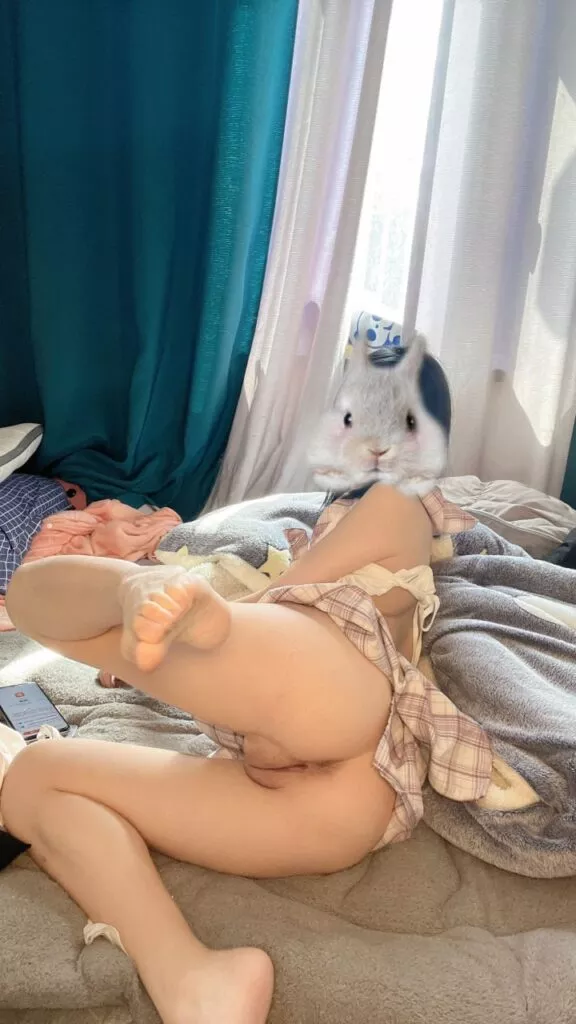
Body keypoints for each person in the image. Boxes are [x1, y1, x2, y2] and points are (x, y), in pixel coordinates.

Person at [0, 483, 489, 1024]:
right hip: (344, 812)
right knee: (32, 779)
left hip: (336, 684)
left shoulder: (393, 514)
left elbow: (377, 517)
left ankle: (141, 588)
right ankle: (191, 982)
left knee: (28, 596)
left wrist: (225, 619)